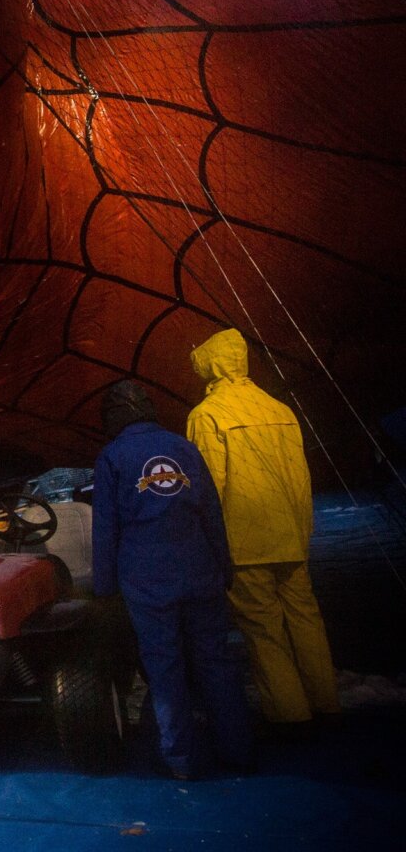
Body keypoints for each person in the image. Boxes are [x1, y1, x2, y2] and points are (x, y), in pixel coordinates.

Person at [92, 379, 251, 778]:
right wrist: (224, 564)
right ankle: (238, 751)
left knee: (164, 668)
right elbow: (211, 512)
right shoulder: (185, 448)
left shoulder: (112, 457)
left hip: (147, 580)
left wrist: (104, 587)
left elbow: (105, 529)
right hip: (199, 569)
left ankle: (181, 760)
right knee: (216, 660)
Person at [186, 328, 339, 726]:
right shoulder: (279, 410)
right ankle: (327, 703)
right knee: (307, 620)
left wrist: (208, 545)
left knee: (264, 630)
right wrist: (303, 530)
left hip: (245, 542)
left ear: (210, 364)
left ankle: (290, 715)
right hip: (290, 535)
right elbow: (300, 478)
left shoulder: (207, 416)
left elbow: (210, 488)